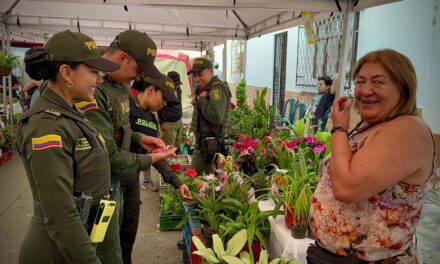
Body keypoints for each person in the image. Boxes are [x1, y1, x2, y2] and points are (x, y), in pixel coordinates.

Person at [308, 49, 436, 263]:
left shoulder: (408, 129)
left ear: (403, 89)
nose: (365, 90)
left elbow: (346, 187)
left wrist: (339, 128)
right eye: (360, 81)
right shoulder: (372, 125)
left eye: (378, 82)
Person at [16, 30, 120, 264]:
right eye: (94, 72)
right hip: (57, 252)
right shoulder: (47, 126)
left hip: (76, 241)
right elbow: (60, 214)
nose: (100, 79)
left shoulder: (70, 112)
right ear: (66, 73)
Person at [77, 30, 174, 264]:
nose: (138, 79)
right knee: (106, 252)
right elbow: (106, 153)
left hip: (118, 181)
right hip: (99, 183)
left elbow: (121, 130)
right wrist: (150, 160)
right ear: (122, 59)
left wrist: (141, 139)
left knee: (123, 242)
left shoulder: (120, 86)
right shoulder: (93, 88)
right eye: (138, 71)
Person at [123, 75, 192, 261]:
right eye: (164, 99)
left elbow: (157, 158)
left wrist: (178, 183)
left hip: (131, 181)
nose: (164, 105)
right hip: (113, 178)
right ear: (151, 90)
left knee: (129, 232)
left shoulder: (152, 119)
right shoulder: (125, 105)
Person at [188, 57, 232, 175]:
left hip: (209, 147)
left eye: (200, 74)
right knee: (205, 185)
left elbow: (216, 118)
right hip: (205, 145)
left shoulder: (216, 89)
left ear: (211, 71)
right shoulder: (207, 88)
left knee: (193, 181)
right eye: (195, 75)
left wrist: (202, 100)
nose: (197, 79)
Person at [159, 71, 183, 149]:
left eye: (178, 84)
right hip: (168, 123)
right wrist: (160, 122)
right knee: (168, 149)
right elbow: (158, 106)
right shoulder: (164, 90)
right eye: (176, 84)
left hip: (178, 122)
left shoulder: (178, 90)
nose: (178, 86)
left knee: (176, 148)